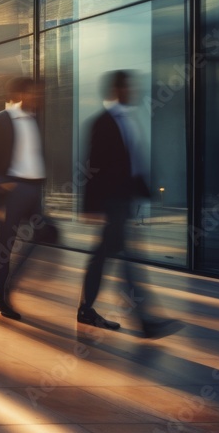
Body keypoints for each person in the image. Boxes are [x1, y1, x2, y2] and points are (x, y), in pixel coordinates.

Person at [78, 71, 177, 337]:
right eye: (129, 86)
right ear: (116, 90)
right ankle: (144, 320)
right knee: (125, 260)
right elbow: (92, 165)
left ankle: (86, 309)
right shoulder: (103, 123)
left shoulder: (128, 120)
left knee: (104, 257)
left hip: (123, 199)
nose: (134, 90)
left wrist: (145, 191)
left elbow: (132, 162)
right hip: (111, 202)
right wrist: (90, 206)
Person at [0, 77, 47, 321]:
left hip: (33, 190)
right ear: (21, 94)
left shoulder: (35, 120)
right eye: (34, 93)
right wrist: (1, 184)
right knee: (6, 245)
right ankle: (1, 297)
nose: (38, 97)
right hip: (12, 191)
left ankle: (4, 287)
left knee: (45, 235)